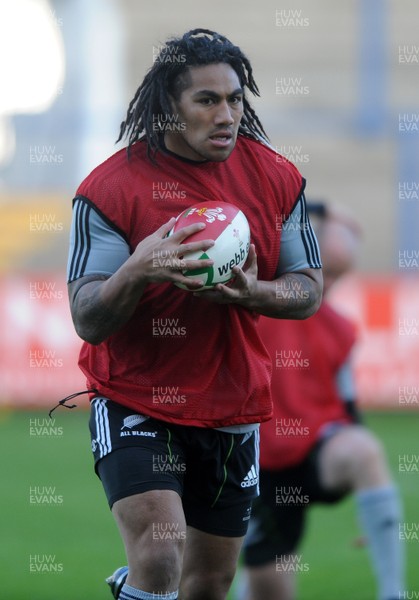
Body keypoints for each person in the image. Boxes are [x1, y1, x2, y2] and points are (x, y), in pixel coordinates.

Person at [66, 29, 323, 600]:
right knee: (161, 553)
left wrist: (255, 293)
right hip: (137, 399)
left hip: (232, 406)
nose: (226, 114)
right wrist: (137, 269)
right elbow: (87, 317)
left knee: (207, 583)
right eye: (207, 101)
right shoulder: (111, 189)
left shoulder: (278, 178)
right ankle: (141, 581)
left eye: (234, 99)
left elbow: (308, 289)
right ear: (169, 108)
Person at [241, 204, 405, 600]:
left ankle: (393, 592)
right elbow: (279, 207)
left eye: (338, 275)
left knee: (364, 451)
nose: (328, 283)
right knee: (267, 585)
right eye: (325, 271)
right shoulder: (253, 302)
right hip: (257, 467)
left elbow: (349, 410)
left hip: (315, 453)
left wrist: (374, 513)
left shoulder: (340, 329)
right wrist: (326, 210)